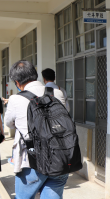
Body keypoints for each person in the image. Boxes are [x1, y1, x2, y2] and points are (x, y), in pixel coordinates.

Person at [5, 60, 67, 199]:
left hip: (33, 160)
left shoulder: (15, 99)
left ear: (17, 82)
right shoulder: (57, 93)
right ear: (35, 75)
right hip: (61, 156)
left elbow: (8, 123)